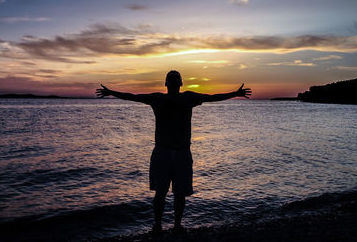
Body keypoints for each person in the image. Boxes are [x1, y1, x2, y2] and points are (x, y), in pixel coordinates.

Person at [95, 70, 251, 234]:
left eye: (175, 79)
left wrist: (235, 93)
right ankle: (158, 225)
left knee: (179, 193)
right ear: (167, 83)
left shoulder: (187, 98)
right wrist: (111, 92)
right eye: (172, 79)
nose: (174, 82)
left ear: (179, 83)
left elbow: (212, 97)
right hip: (163, 151)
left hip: (181, 152)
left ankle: (176, 225)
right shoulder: (159, 99)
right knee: (161, 192)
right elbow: (133, 96)